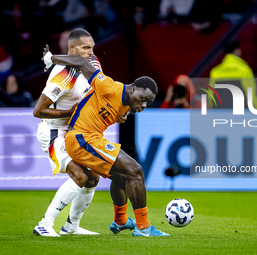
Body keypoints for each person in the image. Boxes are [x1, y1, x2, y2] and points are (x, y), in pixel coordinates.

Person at [42, 46, 170, 237]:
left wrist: (122, 113)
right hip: (81, 138)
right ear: (133, 88)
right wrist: (52, 58)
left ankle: (120, 222)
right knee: (135, 171)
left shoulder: (126, 104)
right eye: (143, 99)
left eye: (148, 103)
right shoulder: (109, 86)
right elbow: (82, 62)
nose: (144, 105)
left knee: (120, 176)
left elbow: (107, 106)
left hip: (90, 138)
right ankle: (143, 227)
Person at [32, 28, 108, 237]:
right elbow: (38, 111)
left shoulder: (93, 64)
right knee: (80, 176)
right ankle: (44, 224)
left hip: (74, 132)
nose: (91, 52)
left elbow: (101, 91)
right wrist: (72, 113)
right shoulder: (63, 74)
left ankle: (71, 227)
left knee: (93, 179)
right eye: (85, 48)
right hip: (53, 131)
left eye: (92, 47)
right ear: (72, 48)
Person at [208, 41, 257, 109]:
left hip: (221, 112)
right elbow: (251, 95)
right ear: (237, 50)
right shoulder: (244, 70)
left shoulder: (215, 72)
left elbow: (211, 96)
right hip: (239, 113)